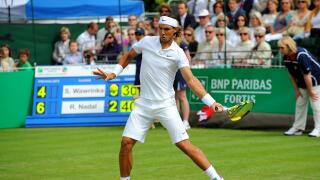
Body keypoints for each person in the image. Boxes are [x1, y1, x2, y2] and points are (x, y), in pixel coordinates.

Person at [93, 16, 224, 180]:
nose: (162, 32)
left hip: (166, 106)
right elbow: (128, 56)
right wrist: (114, 72)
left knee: (183, 144)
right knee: (126, 143)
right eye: (160, 28)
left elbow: (191, 80)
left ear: (175, 31)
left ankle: (216, 178)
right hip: (143, 105)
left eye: (166, 29)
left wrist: (211, 103)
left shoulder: (178, 54)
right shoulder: (147, 42)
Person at [279, 36, 320, 137]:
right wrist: (297, 90)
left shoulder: (301, 55)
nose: (280, 50)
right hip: (302, 82)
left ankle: (318, 129)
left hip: (315, 80)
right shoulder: (286, 57)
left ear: (289, 47)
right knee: (300, 104)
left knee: (316, 105)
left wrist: (310, 91)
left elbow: (307, 75)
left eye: (282, 47)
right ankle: (298, 128)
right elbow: (291, 75)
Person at [173, 27, 192, 130]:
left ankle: (186, 121)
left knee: (182, 96)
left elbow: (188, 59)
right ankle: (176, 121)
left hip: (180, 73)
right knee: (175, 97)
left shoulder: (183, 45)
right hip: (173, 73)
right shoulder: (171, 44)